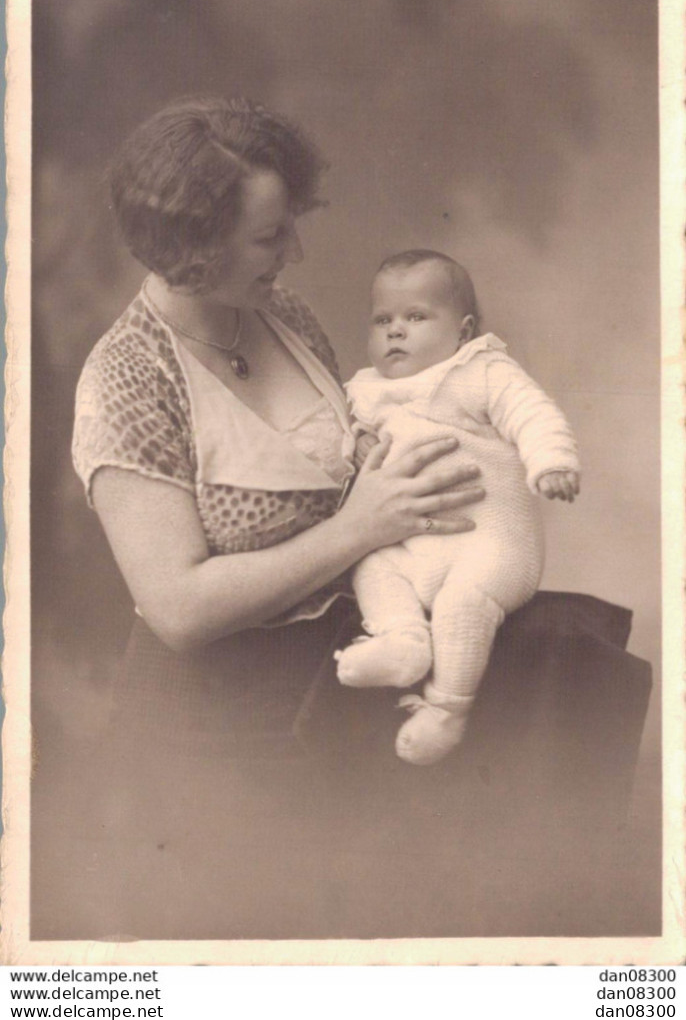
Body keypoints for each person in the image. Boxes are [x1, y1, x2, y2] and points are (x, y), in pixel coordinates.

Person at [70, 96, 486, 939]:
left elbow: (340, 465)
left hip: (328, 705)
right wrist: (361, 526)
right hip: (208, 749)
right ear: (192, 249)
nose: (294, 251)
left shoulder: (282, 314)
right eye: (269, 238)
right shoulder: (126, 380)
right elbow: (178, 608)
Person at [335, 251, 580, 766]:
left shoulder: (481, 370)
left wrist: (552, 461)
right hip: (414, 548)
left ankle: (446, 710)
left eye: (416, 317)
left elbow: (530, 413)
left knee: (461, 605)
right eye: (383, 321)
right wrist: (355, 444)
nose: (395, 332)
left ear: (463, 330)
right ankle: (402, 641)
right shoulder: (366, 390)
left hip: (491, 544)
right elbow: (347, 437)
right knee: (374, 567)